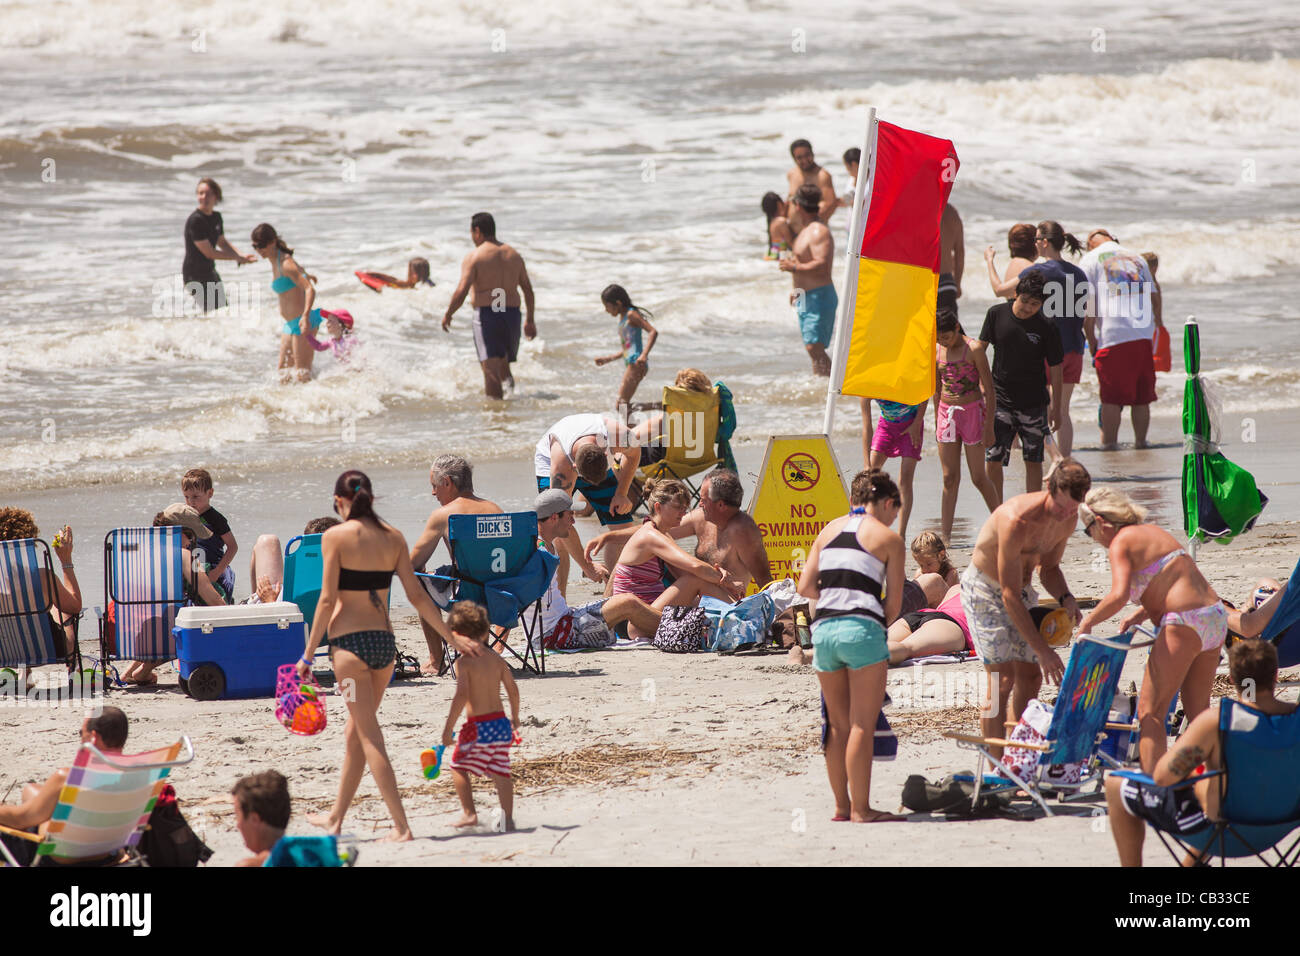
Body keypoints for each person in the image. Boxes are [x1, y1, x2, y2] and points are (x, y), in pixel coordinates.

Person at [295, 470, 475, 842]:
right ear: (370, 498)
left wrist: (308, 655)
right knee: (355, 734)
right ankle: (335, 819)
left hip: (349, 651)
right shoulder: (393, 537)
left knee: (369, 736)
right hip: (382, 649)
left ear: (341, 501)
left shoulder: (335, 537)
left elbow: (327, 600)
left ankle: (402, 827)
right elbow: (418, 597)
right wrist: (449, 638)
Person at [1104, 640, 1296, 867]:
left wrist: (1198, 776)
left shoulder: (1218, 721)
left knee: (1116, 784)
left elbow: (1163, 778)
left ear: (1232, 679)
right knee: (1221, 785)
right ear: (1275, 676)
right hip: (1280, 827)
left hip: (1222, 830)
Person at [1076, 488, 1227, 772]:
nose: (1092, 539)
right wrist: (1142, 612)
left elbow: (1118, 595)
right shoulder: (1153, 532)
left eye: (1088, 531)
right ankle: (1217, 784)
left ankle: (1155, 789)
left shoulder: (1120, 542)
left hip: (1183, 623)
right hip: (1214, 617)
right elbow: (1177, 576)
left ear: (1101, 520)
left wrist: (1088, 622)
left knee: (1150, 714)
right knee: (1198, 714)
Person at [796, 469, 906, 823]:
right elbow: (892, 608)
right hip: (861, 629)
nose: (894, 518)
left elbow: (805, 587)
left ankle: (842, 808)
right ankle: (862, 809)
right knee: (862, 724)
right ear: (888, 503)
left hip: (824, 631)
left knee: (837, 725)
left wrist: (837, 599)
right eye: (895, 511)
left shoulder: (827, 531)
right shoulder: (889, 538)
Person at [961, 459, 1090, 760]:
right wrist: (1044, 651)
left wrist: (1066, 598)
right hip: (986, 590)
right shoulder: (1015, 519)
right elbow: (1008, 594)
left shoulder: (1068, 519)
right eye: (1061, 508)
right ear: (1049, 488)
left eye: (1073, 509)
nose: (1066, 515)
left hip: (1021, 591)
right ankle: (995, 768)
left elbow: (1050, 569)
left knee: (1030, 677)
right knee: (1001, 680)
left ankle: (1016, 757)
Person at [585, 470, 774, 595]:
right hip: (697, 593)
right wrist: (608, 536)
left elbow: (765, 580)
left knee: (687, 574)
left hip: (721, 599)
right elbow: (658, 528)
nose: (698, 505)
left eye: (703, 499)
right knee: (624, 565)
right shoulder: (701, 518)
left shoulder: (743, 530)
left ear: (721, 505)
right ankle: (608, 612)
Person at [408, 454, 506, 674]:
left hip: (466, 597)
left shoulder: (444, 515)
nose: (433, 493)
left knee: (419, 581)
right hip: (502, 594)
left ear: (447, 482)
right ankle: (487, 644)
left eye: (434, 486)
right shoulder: (496, 510)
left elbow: (412, 565)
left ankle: (435, 661)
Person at [611, 479, 743, 637]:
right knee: (696, 580)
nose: (683, 513)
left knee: (701, 588)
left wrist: (720, 583)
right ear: (658, 507)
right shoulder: (650, 536)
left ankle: (740, 614)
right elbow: (695, 568)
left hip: (646, 615)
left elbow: (686, 572)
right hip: (634, 623)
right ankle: (745, 615)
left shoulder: (661, 534)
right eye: (678, 507)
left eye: (685, 508)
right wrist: (729, 582)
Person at [0, 707, 129, 866]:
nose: (81, 739)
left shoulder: (69, 778)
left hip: (57, 858)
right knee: (33, 791)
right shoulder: (136, 776)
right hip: (106, 854)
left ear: (93, 737)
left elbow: (21, 818)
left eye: (82, 734)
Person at [534, 490, 659, 649]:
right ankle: (683, 631)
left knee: (624, 598)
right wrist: (499, 645)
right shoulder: (538, 551)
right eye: (569, 515)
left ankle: (679, 629)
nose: (573, 521)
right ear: (553, 518)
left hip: (564, 620)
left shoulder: (546, 544)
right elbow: (515, 593)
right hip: (554, 634)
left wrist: (589, 567)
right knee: (628, 602)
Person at [978, 270, 1064, 499]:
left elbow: (1056, 369)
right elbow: (979, 351)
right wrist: (979, 383)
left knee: (1033, 460)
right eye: (1024, 301)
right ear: (1015, 294)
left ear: (1041, 305)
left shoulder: (1047, 326)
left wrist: (1057, 407)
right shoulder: (996, 314)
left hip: (1034, 403)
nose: (1027, 308)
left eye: (1034, 304)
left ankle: (1031, 509)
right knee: (993, 458)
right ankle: (998, 510)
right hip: (1000, 401)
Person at [119, 505, 225, 686]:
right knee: (189, 616)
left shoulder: (141, 552)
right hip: (167, 632)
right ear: (177, 532)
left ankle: (129, 672)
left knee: (165, 612)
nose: (192, 542)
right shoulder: (185, 556)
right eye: (190, 536)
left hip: (133, 631)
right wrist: (232, 616)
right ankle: (144, 670)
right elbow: (210, 595)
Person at [442, 601, 521, 831]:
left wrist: (448, 728)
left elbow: (461, 696)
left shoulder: (464, 662)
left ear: (456, 635)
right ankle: (507, 818)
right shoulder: (496, 659)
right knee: (501, 771)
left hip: (478, 726)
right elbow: (512, 689)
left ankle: (469, 814)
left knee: (458, 767)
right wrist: (515, 717)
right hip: (500, 724)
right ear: (486, 631)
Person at [1080, 228, 1161, 449]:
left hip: (1114, 335)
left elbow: (1088, 306)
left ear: (1090, 243)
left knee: (1111, 398)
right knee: (1142, 397)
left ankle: (1109, 445)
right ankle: (1141, 442)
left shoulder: (1090, 259)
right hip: (1143, 334)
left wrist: (1091, 339)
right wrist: (1157, 326)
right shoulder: (1136, 257)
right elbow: (1153, 295)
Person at [442, 212, 536, 399]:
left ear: (477, 231)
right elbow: (528, 290)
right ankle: (510, 403)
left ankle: (497, 416)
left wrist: (449, 313)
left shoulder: (476, 256)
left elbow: (462, 289)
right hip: (510, 313)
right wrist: (530, 320)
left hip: (488, 314)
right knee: (503, 364)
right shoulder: (514, 254)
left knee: (490, 367)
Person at [1020, 221, 1089, 456]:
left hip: (1046, 351)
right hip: (1074, 349)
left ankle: (1055, 458)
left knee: (1042, 409)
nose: (1035, 245)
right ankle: (1065, 460)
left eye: (1037, 240)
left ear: (1045, 242)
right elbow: (1084, 313)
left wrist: (989, 262)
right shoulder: (1079, 273)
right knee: (1063, 410)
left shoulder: (1037, 271)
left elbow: (1002, 291)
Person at [934, 308, 1000, 540]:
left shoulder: (974, 349)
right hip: (946, 415)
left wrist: (989, 426)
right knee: (949, 477)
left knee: (978, 477)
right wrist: (936, 421)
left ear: (956, 328)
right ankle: (946, 537)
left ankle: (1001, 524)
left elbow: (990, 391)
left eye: (946, 336)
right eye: (939, 338)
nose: (943, 341)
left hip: (972, 414)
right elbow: (936, 388)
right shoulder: (937, 350)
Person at [0, 508, 80, 667]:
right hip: (50, 649)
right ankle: (73, 671)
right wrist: (66, 561)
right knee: (62, 611)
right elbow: (75, 606)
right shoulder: (43, 577)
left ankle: (26, 672)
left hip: (5, 653)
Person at [252, 223, 320, 383]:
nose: (259, 250)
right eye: (255, 246)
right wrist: (306, 274)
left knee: (303, 375)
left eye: (262, 245)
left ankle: (319, 405)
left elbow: (310, 289)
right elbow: (299, 272)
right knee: (283, 376)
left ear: (273, 242)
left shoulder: (285, 264)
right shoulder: (275, 260)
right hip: (290, 324)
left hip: (303, 323)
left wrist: (305, 316)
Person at [780, 184, 836, 376]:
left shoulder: (818, 231)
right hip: (803, 296)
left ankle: (833, 388)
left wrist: (794, 267)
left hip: (818, 295)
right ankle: (820, 387)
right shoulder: (804, 231)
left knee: (815, 347)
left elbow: (821, 263)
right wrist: (796, 291)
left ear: (798, 206)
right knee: (810, 347)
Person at [182, 177, 254, 312]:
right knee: (213, 311)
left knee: (222, 310)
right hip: (194, 274)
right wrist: (236, 258)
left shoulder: (216, 217)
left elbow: (222, 242)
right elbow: (209, 253)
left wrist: (241, 254)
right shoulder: (196, 221)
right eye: (200, 193)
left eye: (208, 193)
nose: (204, 197)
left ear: (216, 196)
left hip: (209, 271)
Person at [866, 398, 925, 541]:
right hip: (886, 426)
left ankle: (901, 534)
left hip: (912, 425)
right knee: (870, 476)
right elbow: (866, 426)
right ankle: (870, 527)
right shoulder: (867, 383)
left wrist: (917, 422)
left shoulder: (900, 375)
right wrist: (866, 462)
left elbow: (924, 392)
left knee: (905, 479)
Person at [594, 284, 659, 408]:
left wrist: (644, 355)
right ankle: (660, 407)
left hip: (636, 363)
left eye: (606, 306)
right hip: (632, 362)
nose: (606, 310)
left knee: (621, 406)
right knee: (623, 407)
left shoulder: (631, 315)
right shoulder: (623, 317)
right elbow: (628, 348)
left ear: (618, 303)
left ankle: (663, 406)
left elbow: (653, 332)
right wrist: (608, 359)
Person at [182, 467, 237, 603]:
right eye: (186, 497)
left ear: (210, 493)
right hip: (193, 568)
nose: (190, 502)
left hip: (214, 568)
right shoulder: (184, 516)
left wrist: (217, 572)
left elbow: (232, 547)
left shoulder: (215, 519)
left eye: (196, 497)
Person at [887, 584, 973, 664]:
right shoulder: (985, 596)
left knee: (879, 642)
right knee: (905, 648)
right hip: (949, 624)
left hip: (920, 615)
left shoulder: (957, 587)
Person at [232, 771, 291, 867]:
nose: (237, 825)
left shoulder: (251, 865)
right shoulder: (314, 853)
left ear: (255, 819)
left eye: (238, 816)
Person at [786, 139, 836, 226]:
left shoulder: (822, 176)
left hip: (813, 232)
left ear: (812, 153)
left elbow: (831, 204)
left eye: (807, 155)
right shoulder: (792, 174)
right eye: (799, 157)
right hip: (792, 232)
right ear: (794, 159)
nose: (805, 160)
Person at [984, 223, 1037, 299]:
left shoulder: (1013, 263)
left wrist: (989, 260)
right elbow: (998, 290)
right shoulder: (1031, 268)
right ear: (1034, 244)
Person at [938, 203, 964, 315]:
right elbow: (960, 252)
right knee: (949, 331)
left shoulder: (918, 208)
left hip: (924, 281)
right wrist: (957, 283)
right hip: (947, 282)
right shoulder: (952, 212)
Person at [356, 257, 435, 291]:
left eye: (409, 271)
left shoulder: (421, 287)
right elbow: (394, 280)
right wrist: (376, 274)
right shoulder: (428, 284)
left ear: (414, 275)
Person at [761, 192, 796, 260]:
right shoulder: (781, 221)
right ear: (779, 204)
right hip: (780, 257)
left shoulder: (773, 222)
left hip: (773, 256)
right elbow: (791, 243)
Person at [836, 147, 860, 211]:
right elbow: (846, 200)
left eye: (846, 165)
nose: (846, 169)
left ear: (853, 164)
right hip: (851, 220)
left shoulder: (871, 183)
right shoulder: (851, 179)